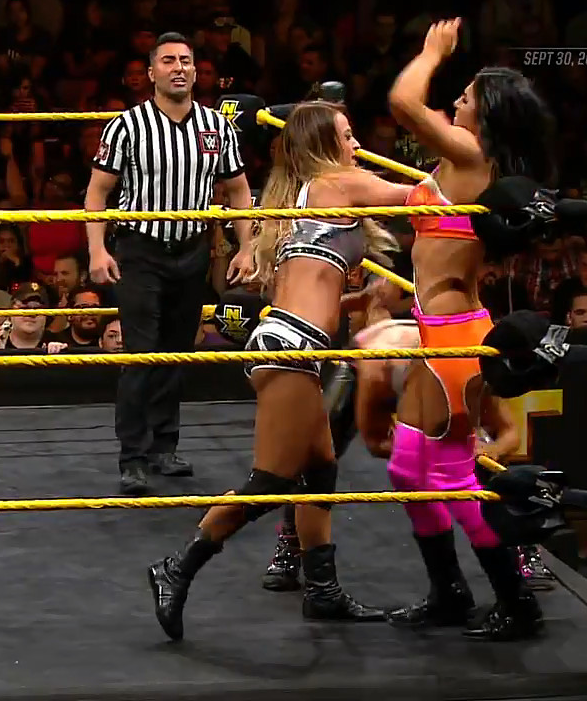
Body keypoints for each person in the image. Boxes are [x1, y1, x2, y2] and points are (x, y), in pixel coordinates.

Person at [146, 101, 410, 641]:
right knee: (270, 480)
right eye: (348, 135)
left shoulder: (307, 199)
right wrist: (472, 167)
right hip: (290, 347)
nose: (356, 145)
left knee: (320, 472)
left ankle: (323, 591)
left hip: (295, 342)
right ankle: (177, 567)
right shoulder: (336, 184)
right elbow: (423, 198)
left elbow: (315, 296)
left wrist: (364, 300)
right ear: (325, 145)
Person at [386, 18, 556, 641]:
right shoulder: (461, 157)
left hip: (456, 336)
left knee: (451, 475)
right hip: (434, 327)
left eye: (466, 96)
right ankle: (449, 592)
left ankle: (516, 599)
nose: (455, 101)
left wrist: (431, 52)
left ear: (486, 115)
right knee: (408, 468)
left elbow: (404, 102)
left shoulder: (472, 155)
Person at [262, 306, 554, 593]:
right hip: (377, 360)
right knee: (317, 455)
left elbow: (508, 434)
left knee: (482, 460)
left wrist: (492, 451)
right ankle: (290, 543)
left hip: (432, 369)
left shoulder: (473, 371)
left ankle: (524, 546)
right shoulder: (377, 368)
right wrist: (429, 453)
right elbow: (376, 442)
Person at [84, 31, 255, 495]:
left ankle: (164, 446)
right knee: (142, 354)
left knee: (177, 352)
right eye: (168, 61)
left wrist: (246, 246)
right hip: (140, 250)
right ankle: (133, 456)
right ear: (151, 72)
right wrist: (97, 249)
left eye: (185, 60)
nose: (178, 67)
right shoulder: (126, 126)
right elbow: (98, 191)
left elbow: (239, 189)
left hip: (193, 249)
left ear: (195, 71)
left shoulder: (217, 126)